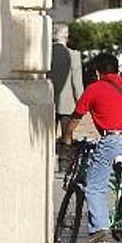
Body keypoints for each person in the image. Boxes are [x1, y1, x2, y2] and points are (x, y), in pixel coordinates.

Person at [61, 52, 122, 243]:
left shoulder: (95, 88)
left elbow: (77, 116)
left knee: (94, 186)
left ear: (97, 73)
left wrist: (67, 136)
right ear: (117, 70)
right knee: (119, 176)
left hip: (112, 140)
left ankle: (100, 228)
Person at [49, 23, 84, 170]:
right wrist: (81, 100)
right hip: (67, 102)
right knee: (67, 134)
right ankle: (64, 162)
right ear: (65, 36)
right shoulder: (73, 55)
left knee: (47, 133)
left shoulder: (45, 53)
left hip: (48, 100)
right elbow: (76, 82)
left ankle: (46, 160)